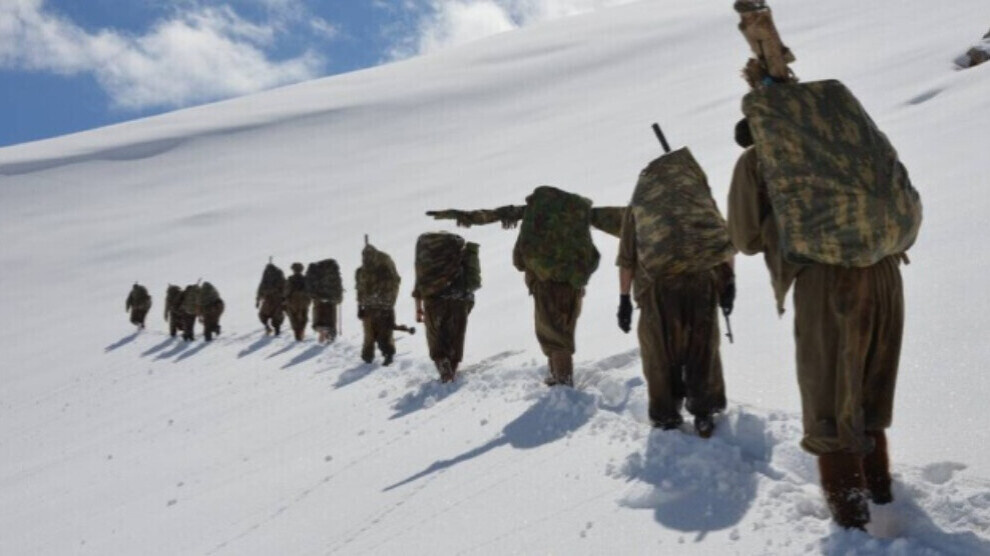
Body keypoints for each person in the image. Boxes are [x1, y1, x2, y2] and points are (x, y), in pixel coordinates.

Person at [728, 109, 918, 528]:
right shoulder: (851, 140)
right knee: (869, 392)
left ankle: (851, 520)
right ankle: (881, 494)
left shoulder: (759, 158)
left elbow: (743, 237)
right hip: (886, 271)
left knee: (830, 401)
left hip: (828, 281)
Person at [428, 187, 622, 387]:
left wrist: (460, 215)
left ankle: (563, 384)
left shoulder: (533, 212)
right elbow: (620, 219)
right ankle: (556, 377)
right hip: (574, 284)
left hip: (545, 284)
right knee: (562, 331)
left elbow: (494, 221)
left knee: (554, 337)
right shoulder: (577, 212)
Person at [615, 147, 734, 437]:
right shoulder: (698, 196)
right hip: (701, 283)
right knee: (702, 348)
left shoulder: (640, 205)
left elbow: (627, 258)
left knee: (659, 354)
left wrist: (624, 299)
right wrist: (728, 283)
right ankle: (704, 411)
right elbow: (722, 243)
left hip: (658, 289)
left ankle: (666, 416)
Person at [413, 232, 480, 383]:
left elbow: (419, 281)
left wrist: (418, 307)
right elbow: (472, 276)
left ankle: (444, 366)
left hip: (434, 300)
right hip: (460, 297)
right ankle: (453, 369)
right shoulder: (458, 250)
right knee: (456, 336)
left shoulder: (424, 255)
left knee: (435, 338)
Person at [356, 241, 401, 365]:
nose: (366, 258)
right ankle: (368, 357)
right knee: (370, 336)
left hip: (382, 307)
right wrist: (360, 306)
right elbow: (360, 290)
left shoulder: (383, 269)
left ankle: (387, 355)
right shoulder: (361, 271)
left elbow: (360, 290)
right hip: (372, 307)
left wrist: (360, 306)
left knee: (384, 334)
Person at [256, 261, 286, 336]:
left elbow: (261, 288)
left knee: (263, 315)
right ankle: (277, 330)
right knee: (277, 316)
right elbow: (284, 286)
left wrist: (258, 299)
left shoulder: (266, 275)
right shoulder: (279, 274)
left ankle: (268, 327)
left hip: (268, 299)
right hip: (277, 299)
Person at [284, 262, 311, 341]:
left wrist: (285, 299)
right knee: (304, 315)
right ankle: (302, 330)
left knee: (293, 317)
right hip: (304, 300)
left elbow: (287, 291)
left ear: (293, 270)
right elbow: (309, 290)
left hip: (293, 301)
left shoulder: (290, 279)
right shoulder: (306, 279)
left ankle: (297, 333)